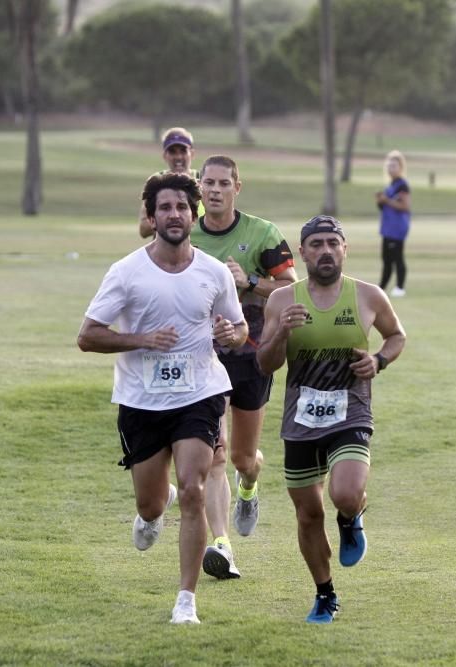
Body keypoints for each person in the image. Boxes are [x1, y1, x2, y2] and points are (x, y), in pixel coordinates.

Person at [78, 171, 249, 624]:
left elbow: (238, 328)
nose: (175, 215)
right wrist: (141, 339)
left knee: (195, 488)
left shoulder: (213, 272)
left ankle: (186, 601)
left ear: (193, 214)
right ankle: (157, 505)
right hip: (142, 400)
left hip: (200, 393)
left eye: (181, 207)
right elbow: (88, 336)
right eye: (165, 208)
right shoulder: (126, 272)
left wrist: (233, 333)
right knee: (150, 504)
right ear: (151, 217)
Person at [256, 215, 406, 624]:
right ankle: (325, 594)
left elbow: (397, 336)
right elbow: (265, 364)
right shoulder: (282, 300)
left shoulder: (368, 296)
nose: (325, 250)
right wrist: (282, 334)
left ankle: (351, 516)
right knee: (307, 514)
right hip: (300, 419)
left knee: (344, 492)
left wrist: (378, 360)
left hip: (350, 411)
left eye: (332, 243)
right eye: (316, 244)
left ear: (345, 249)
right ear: (302, 252)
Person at [190, 155, 297, 580]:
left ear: (238, 187)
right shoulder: (187, 232)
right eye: (208, 182)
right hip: (201, 359)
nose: (214, 190)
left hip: (252, 355)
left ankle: (249, 485)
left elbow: (291, 289)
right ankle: (221, 544)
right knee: (214, 456)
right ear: (199, 187)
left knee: (241, 457)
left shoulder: (262, 233)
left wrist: (249, 282)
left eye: (223, 183)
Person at [138, 127, 204, 238]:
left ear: (192, 154)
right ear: (165, 155)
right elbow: (143, 230)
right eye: (172, 152)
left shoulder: (205, 181)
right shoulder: (157, 183)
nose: (178, 157)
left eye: (183, 151)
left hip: (200, 251)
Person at [375, 150, 411, 297]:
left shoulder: (402, 186)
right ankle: (381, 288)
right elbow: (386, 206)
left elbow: (404, 206)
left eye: (394, 166)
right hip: (387, 228)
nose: (391, 168)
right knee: (386, 259)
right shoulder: (391, 185)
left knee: (397, 258)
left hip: (397, 229)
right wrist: (380, 201)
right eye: (389, 165)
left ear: (400, 167)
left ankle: (400, 287)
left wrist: (387, 200)